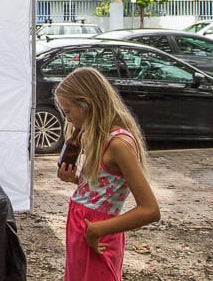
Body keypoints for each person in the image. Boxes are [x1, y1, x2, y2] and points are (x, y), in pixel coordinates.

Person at [55, 67, 161, 281]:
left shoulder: (119, 144)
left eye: (68, 112)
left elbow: (150, 210)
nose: (67, 119)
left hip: (97, 233)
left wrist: (95, 230)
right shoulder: (99, 137)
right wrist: (77, 180)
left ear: (86, 104)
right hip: (83, 228)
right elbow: (106, 187)